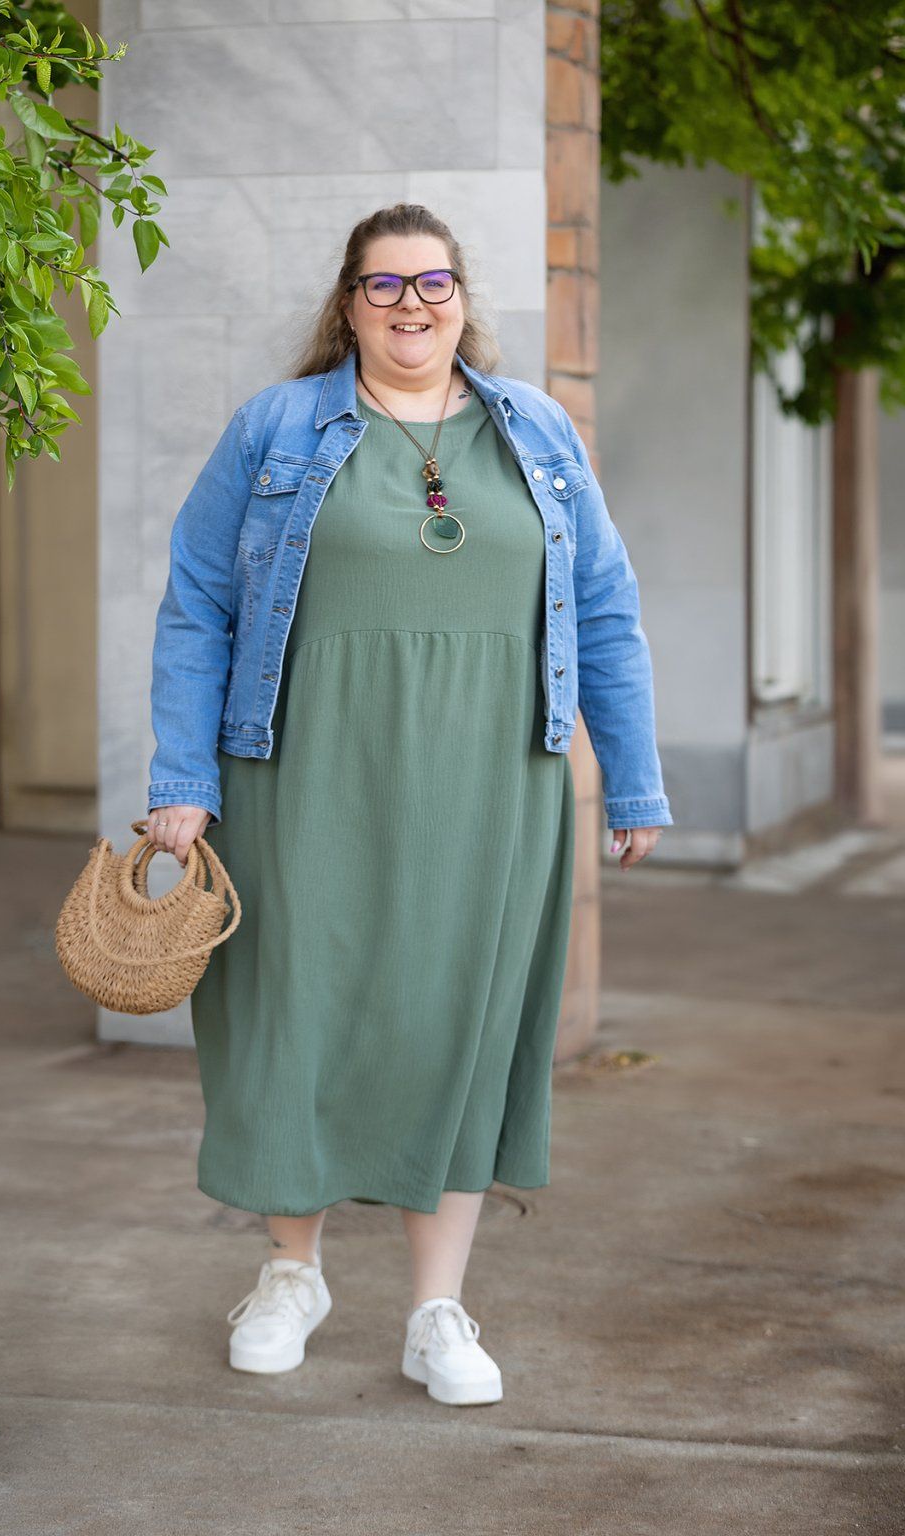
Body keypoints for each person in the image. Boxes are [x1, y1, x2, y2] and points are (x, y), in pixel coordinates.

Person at [145, 202, 673, 1407]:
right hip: (300, 774)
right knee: (295, 1011)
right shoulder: (277, 426)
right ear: (349, 305)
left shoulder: (535, 430)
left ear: (461, 300)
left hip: (495, 780)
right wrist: (183, 779)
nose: (410, 305)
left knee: (459, 1019)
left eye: (432, 283)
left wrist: (632, 775)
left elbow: (603, 605)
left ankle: (437, 1308)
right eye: (384, 286)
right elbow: (198, 604)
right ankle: (291, 1273)